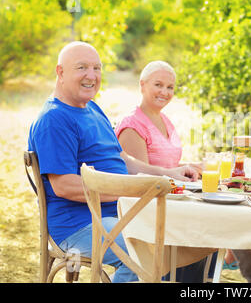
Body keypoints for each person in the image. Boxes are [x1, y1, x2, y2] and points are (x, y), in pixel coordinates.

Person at [28, 41, 199, 283]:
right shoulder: (55, 119)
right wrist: (132, 190)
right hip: (80, 224)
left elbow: (123, 159)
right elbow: (64, 186)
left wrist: (168, 173)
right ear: (60, 72)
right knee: (145, 251)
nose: (92, 76)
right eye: (82, 68)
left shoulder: (91, 108)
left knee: (187, 236)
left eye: (97, 68)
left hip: (118, 213)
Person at [114, 60, 205, 282]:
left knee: (205, 234)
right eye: (158, 85)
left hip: (171, 199)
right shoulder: (132, 125)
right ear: (142, 85)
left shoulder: (165, 119)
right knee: (199, 233)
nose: (165, 92)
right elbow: (140, 177)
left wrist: (192, 167)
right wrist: (177, 172)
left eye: (170, 87)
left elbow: (167, 164)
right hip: (147, 209)